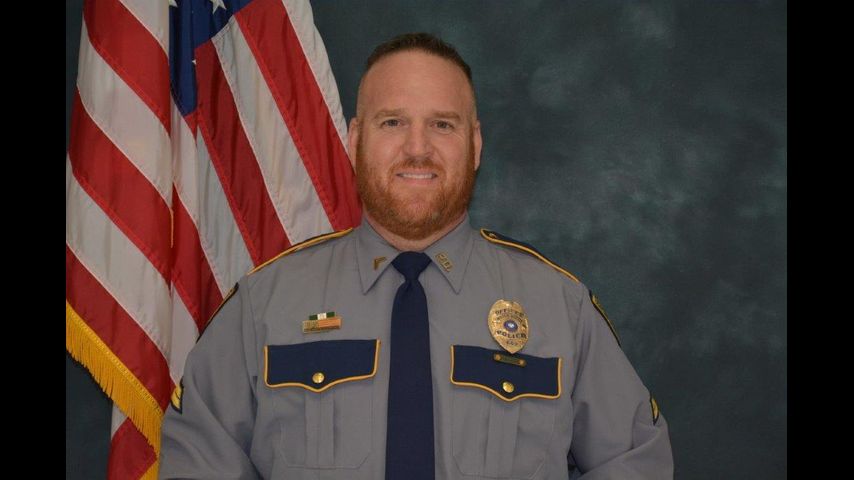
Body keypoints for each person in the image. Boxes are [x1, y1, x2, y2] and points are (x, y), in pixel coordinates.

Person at [160, 32, 674, 479]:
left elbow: (634, 463)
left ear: (475, 144)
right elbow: (199, 465)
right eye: (392, 123)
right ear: (355, 140)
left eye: (443, 125)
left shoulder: (559, 307)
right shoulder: (264, 306)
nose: (417, 148)